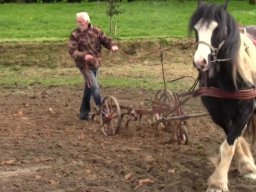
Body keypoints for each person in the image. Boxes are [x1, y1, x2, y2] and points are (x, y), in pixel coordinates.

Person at [68, 12, 118, 120]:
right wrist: (84, 56)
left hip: (96, 63)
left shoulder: (97, 31)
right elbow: (72, 51)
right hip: (84, 66)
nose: (78, 23)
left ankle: (84, 113)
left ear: (87, 21)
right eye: (77, 21)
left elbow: (106, 40)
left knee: (89, 88)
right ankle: (104, 112)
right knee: (95, 87)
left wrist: (112, 46)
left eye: (80, 21)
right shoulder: (74, 34)